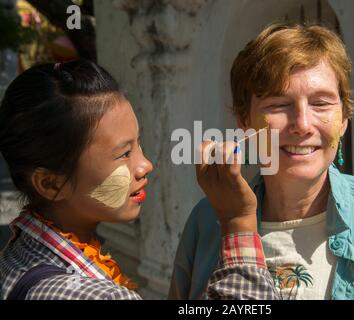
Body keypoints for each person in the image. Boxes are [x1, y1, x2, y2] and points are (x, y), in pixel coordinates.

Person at [169, 23, 354, 300]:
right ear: (244, 122)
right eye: (278, 105)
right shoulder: (207, 223)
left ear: (343, 120)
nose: (302, 125)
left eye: (321, 103)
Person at [0, 60, 278, 300]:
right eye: (123, 153)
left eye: (138, 143)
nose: (146, 165)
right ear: (50, 184)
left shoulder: (21, 254)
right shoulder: (86, 294)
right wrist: (237, 220)